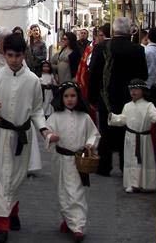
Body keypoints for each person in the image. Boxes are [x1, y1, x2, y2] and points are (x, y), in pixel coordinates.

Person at [0, 32, 54, 243]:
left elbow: (37, 110)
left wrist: (45, 130)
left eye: (18, 55)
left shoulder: (32, 80)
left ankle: (13, 211)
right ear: (4, 54)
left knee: (16, 177)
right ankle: (1, 226)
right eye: (10, 55)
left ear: (24, 55)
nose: (14, 60)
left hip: (22, 136)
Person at [89, 17, 148, 177]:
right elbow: (143, 74)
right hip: (129, 98)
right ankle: (125, 165)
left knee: (105, 132)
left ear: (114, 31)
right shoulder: (137, 50)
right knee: (127, 133)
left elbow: (93, 73)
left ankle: (104, 166)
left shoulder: (101, 48)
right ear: (129, 31)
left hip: (105, 97)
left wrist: (92, 97)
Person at [46, 81, 99, 242]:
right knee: (63, 192)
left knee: (76, 193)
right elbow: (46, 131)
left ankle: (78, 226)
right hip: (61, 160)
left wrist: (90, 143)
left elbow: (94, 134)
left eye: (73, 96)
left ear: (78, 97)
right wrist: (50, 137)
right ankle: (68, 220)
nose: (70, 99)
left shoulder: (84, 117)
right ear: (61, 98)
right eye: (66, 96)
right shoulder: (55, 117)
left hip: (78, 161)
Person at [109, 79, 156, 193]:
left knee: (143, 160)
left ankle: (146, 184)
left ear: (143, 91)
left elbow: (154, 117)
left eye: (136, 89)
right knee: (131, 160)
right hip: (130, 138)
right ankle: (132, 183)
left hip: (143, 138)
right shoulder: (127, 106)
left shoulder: (149, 105)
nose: (133, 92)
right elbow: (123, 119)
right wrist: (113, 117)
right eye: (131, 89)